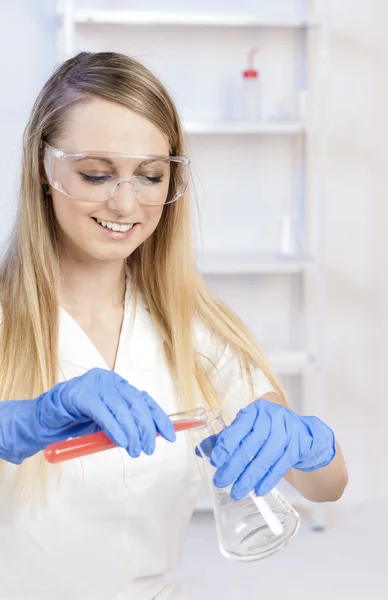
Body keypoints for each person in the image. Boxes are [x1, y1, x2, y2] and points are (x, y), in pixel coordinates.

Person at [0, 51, 348, 600]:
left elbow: (325, 486)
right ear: (44, 168)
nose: (125, 202)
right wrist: (17, 422)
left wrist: (310, 444)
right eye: (96, 173)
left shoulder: (194, 330)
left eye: (150, 175)